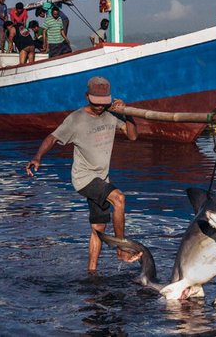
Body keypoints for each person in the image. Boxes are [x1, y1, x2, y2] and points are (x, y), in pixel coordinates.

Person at [25, 76, 140, 273]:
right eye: (95, 103)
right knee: (119, 198)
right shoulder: (76, 119)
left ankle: (92, 272)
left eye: (103, 103)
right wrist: (37, 157)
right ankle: (122, 249)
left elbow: (132, 136)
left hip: (102, 179)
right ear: (87, 97)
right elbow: (53, 138)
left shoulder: (112, 114)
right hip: (84, 179)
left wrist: (127, 113)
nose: (99, 107)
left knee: (99, 227)